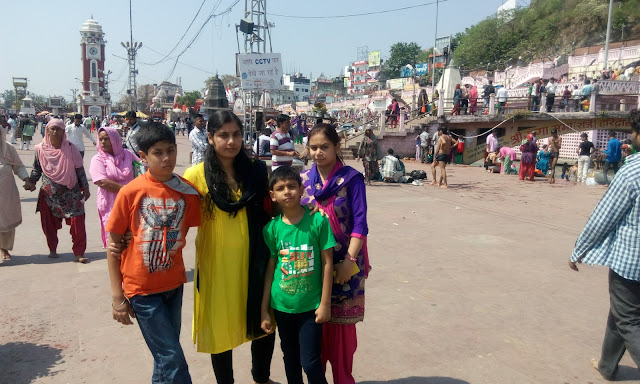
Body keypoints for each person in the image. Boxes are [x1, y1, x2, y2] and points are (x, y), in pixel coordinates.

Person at [183, 110, 276, 384]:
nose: (231, 141)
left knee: (264, 317)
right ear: (210, 138)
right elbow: (179, 218)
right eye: (223, 135)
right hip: (217, 264)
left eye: (236, 134)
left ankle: (261, 376)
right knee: (220, 325)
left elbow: (275, 207)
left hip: (256, 259)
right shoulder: (196, 175)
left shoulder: (257, 171)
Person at [106, 122, 201, 383]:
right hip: (142, 290)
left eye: (171, 150)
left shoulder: (187, 192)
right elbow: (113, 247)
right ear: (143, 157)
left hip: (174, 285)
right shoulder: (131, 192)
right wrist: (117, 296)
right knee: (172, 358)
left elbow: (183, 233)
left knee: (165, 358)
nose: (167, 158)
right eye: (158, 152)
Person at [568, 109, 640, 381]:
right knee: (621, 313)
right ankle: (607, 366)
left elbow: (604, 217)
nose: (631, 137)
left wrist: (579, 250)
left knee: (629, 320)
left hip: (632, 263)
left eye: (634, 132)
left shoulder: (633, 169)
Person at [300, 123, 370, 384]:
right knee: (313, 332)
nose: (318, 152)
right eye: (314, 147)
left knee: (340, 336)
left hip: (344, 265)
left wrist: (348, 261)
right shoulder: (304, 181)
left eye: (324, 147)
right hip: (312, 266)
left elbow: (360, 223)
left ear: (337, 147)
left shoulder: (351, 179)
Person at [261, 166, 335, 384]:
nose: (287, 192)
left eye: (292, 186)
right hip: (282, 307)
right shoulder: (271, 229)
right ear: (273, 196)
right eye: (281, 188)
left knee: (310, 362)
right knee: (290, 360)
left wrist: (325, 304)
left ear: (302, 190)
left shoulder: (318, 221)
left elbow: (328, 263)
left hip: (310, 308)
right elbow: (270, 271)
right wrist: (264, 310)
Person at [28, 119, 90, 263]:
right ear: (47, 130)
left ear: (63, 131)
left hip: (71, 191)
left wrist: (85, 188)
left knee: (78, 223)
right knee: (48, 224)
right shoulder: (40, 149)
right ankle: (52, 249)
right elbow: (37, 169)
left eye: (58, 129)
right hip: (49, 193)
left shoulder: (71, 148)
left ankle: (79, 253)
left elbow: (79, 169)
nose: (55, 132)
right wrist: (31, 182)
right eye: (52, 129)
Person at [89, 127, 140, 248]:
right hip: (110, 202)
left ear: (115, 140)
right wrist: (127, 190)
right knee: (115, 239)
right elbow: (102, 182)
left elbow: (140, 169)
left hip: (131, 201)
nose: (103, 142)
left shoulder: (128, 155)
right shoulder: (98, 159)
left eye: (107, 139)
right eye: (100, 139)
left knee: (131, 237)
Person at [0, 116, 35, 260]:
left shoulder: (8, 148)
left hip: (6, 194)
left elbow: (18, 166)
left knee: (6, 222)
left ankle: (4, 248)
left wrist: (27, 180)